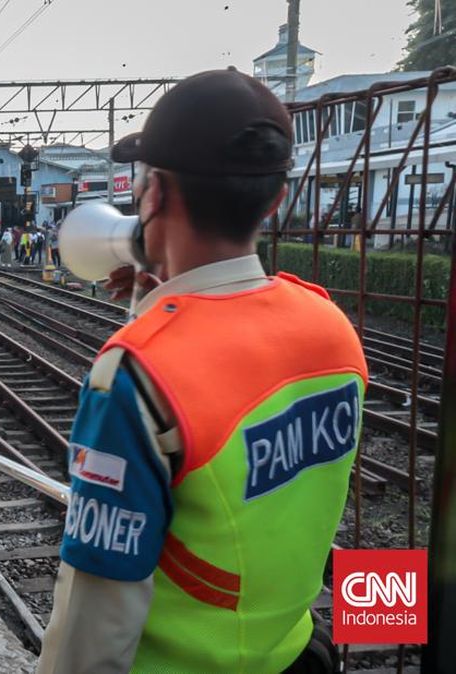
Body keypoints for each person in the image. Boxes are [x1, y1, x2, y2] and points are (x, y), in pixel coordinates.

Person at [36, 69, 367, 674]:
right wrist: (161, 301)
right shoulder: (330, 327)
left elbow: (100, 602)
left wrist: (159, 322)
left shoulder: (137, 374)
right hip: (296, 651)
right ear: (273, 199)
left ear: (154, 194)